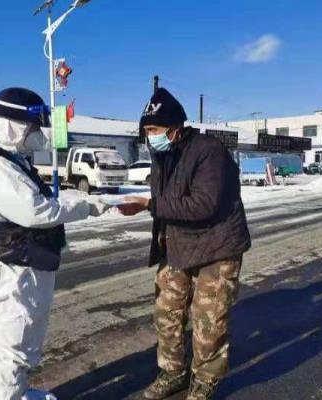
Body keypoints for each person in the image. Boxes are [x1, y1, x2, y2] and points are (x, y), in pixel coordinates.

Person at [0, 87, 110, 400]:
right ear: (14, 126)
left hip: (24, 266)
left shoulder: (12, 161)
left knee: (24, 342)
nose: (37, 133)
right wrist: (86, 207)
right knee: (11, 350)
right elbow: (35, 211)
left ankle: (17, 392)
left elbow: (41, 199)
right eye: (33, 126)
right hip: (11, 272)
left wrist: (78, 199)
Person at [119, 88, 251, 400]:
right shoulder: (162, 154)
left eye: (155, 129)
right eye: (147, 130)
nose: (150, 136)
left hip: (217, 246)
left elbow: (202, 205)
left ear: (175, 128)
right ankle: (173, 372)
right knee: (167, 313)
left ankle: (204, 381)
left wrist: (149, 205)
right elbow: (168, 199)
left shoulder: (209, 151)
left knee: (208, 321)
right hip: (179, 245)